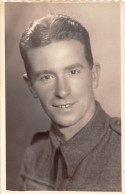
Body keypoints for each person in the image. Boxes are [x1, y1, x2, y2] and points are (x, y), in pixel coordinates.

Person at [19, 14, 121, 191]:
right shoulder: (34, 154)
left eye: (73, 72)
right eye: (46, 77)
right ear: (31, 86)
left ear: (94, 75)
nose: (62, 91)